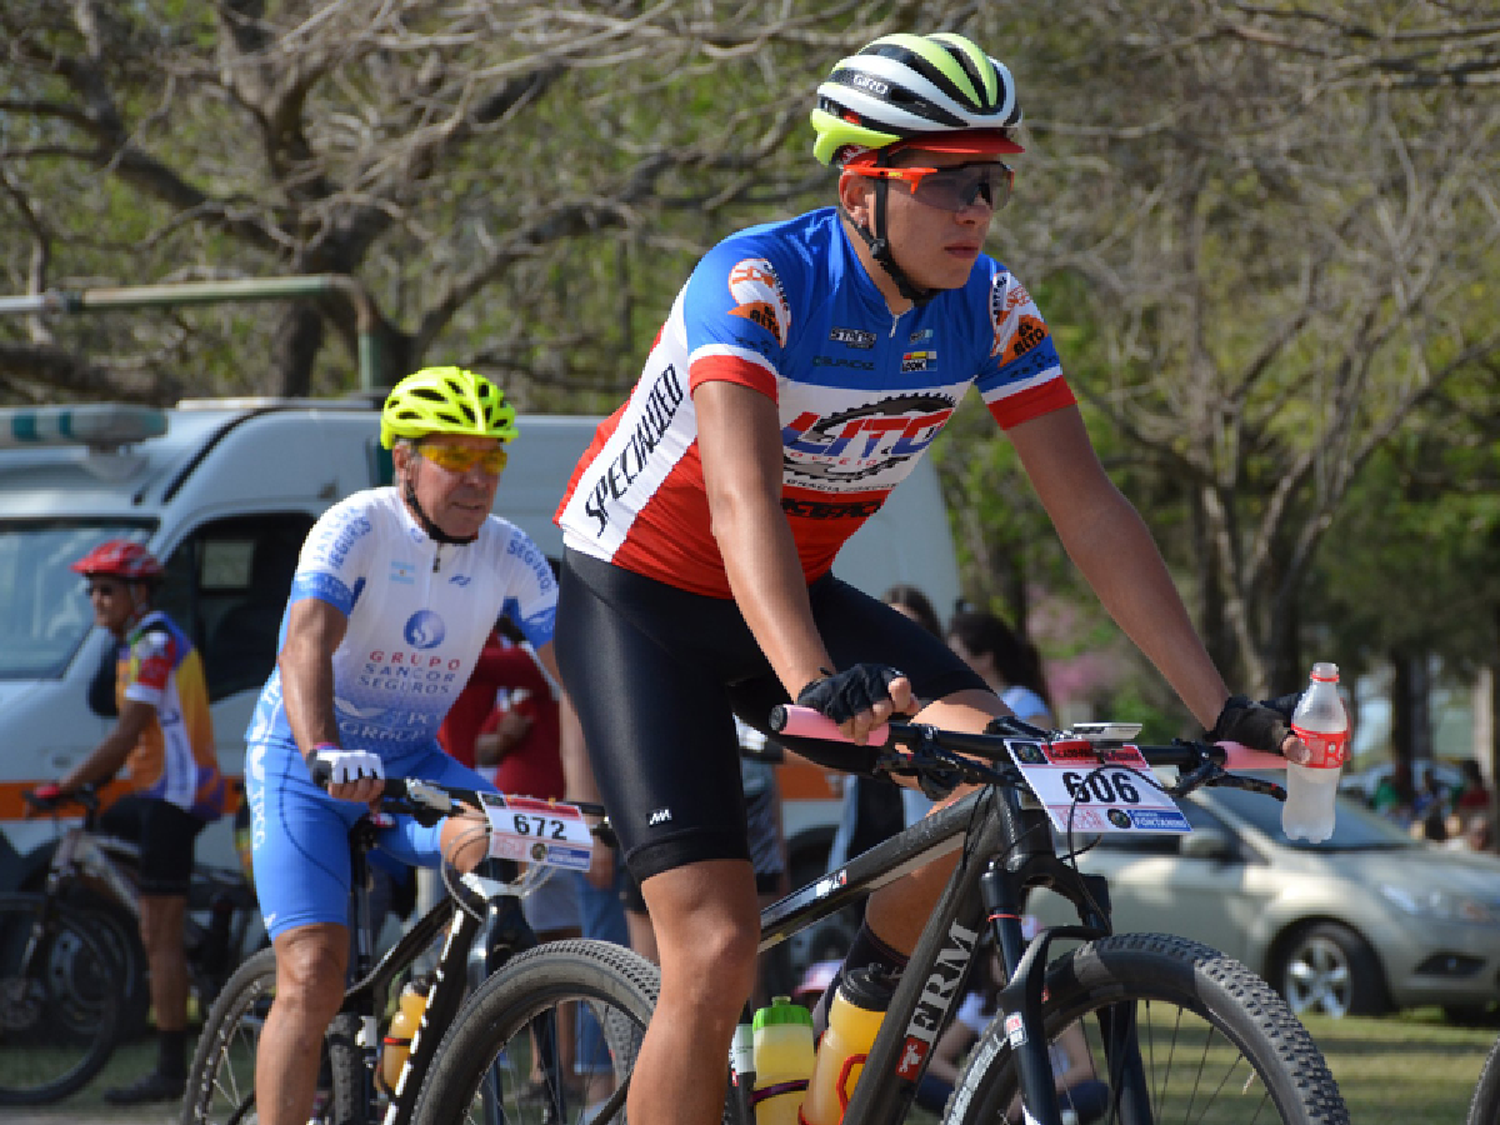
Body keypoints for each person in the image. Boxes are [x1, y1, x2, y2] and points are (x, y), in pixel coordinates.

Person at [550, 32, 1306, 1125]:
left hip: (790, 590)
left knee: (993, 772)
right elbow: (739, 502)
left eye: (993, 181)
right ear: (862, 187)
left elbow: (1089, 512)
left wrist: (1221, 704)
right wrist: (812, 683)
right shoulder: (758, 282)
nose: (978, 210)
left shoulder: (987, 306)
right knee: (712, 949)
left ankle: (840, 1058)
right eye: (950, 181)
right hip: (640, 602)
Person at [243, 366, 577, 1125]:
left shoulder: (510, 552)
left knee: (498, 844)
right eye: (456, 454)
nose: (477, 476)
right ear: (404, 460)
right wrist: (324, 747)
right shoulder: (356, 526)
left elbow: (580, 678)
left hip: (414, 763)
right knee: (313, 973)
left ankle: (436, 1031)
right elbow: (304, 645)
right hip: (304, 765)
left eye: (492, 456)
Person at [32, 539, 226, 1104]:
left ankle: (170, 1069)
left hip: (177, 797)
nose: (96, 599)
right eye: (91, 590)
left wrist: (65, 786)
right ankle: (201, 935)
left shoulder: (157, 643)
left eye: (107, 590)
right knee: (112, 849)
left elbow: (123, 735)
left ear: (139, 594)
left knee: (157, 937)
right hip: (155, 794)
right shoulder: (133, 645)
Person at [947, 607, 1054, 726]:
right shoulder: (966, 706)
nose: (949, 662)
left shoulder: (1023, 703)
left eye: (957, 654)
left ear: (985, 659)